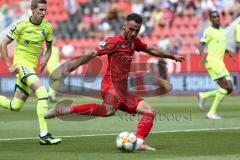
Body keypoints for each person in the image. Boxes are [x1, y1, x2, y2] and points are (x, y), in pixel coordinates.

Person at [45, 13, 184, 150]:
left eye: (137, 30)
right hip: (110, 85)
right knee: (108, 110)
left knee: (149, 111)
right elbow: (93, 53)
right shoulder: (114, 41)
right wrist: (74, 65)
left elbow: (150, 49)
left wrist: (171, 56)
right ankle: (65, 110)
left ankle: (139, 142)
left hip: (122, 90)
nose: (134, 33)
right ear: (124, 26)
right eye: (131, 29)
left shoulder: (134, 42)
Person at [0, 0, 61, 145]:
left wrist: (45, 60)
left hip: (31, 68)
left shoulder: (47, 27)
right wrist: (9, 64)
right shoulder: (21, 25)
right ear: (32, 9)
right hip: (21, 66)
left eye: (45, 10)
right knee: (43, 93)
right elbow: (3, 44)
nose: (43, 13)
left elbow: (50, 48)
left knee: (15, 106)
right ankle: (44, 135)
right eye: (40, 10)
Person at [198, 10, 234, 120]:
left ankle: (204, 96)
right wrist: (203, 56)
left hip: (221, 64)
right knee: (226, 87)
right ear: (210, 19)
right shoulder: (208, 31)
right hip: (213, 63)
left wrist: (228, 51)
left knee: (230, 89)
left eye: (217, 16)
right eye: (213, 17)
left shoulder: (222, 31)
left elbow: (219, 45)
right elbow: (201, 44)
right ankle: (211, 113)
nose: (216, 18)